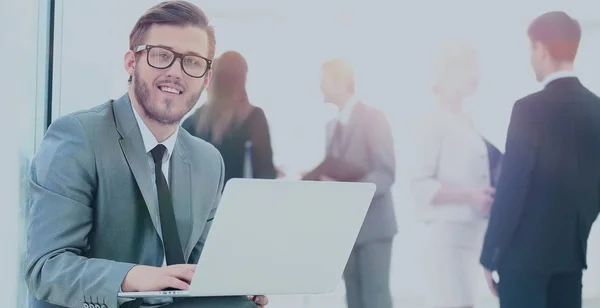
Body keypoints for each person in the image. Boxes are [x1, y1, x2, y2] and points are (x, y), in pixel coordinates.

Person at [24, 1, 268, 307]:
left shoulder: (207, 161)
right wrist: (134, 277)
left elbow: (201, 271)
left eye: (192, 62)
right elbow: (46, 268)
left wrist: (236, 283)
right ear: (131, 62)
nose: (175, 72)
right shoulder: (77, 137)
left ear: (206, 78)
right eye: (161, 56)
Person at [480, 11, 600, 308]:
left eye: (530, 49)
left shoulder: (528, 109)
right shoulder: (597, 109)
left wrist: (490, 253)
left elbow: (513, 187)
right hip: (571, 256)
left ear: (541, 49)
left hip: (522, 260)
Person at [410, 43, 501, 308]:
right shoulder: (431, 120)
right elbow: (419, 184)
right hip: (447, 238)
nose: (476, 75)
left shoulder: (467, 120)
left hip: (471, 236)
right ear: (446, 72)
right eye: (470, 67)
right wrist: (471, 196)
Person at [305, 58, 397, 308]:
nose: (320, 88)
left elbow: (386, 172)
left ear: (340, 82)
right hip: (346, 229)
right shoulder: (330, 127)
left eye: (323, 82)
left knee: (376, 299)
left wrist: (352, 192)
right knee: (354, 300)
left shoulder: (373, 117)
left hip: (375, 227)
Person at [182, 51, 277, 183]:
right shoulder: (254, 119)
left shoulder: (190, 123)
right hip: (238, 201)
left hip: (198, 202)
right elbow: (266, 173)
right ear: (242, 80)